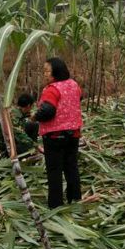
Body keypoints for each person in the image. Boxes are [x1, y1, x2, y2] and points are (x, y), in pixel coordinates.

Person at [32, 57, 82, 208]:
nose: (44, 74)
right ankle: (75, 198)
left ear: (56, 72)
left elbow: (48, 111)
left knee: (54, 171)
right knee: (71, 167)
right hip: (73, 133)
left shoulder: (52, 89)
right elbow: (79, 97)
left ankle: (55, 205)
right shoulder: (74, 85)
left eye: (47, 71)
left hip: (54, 136)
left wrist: (34, 117)